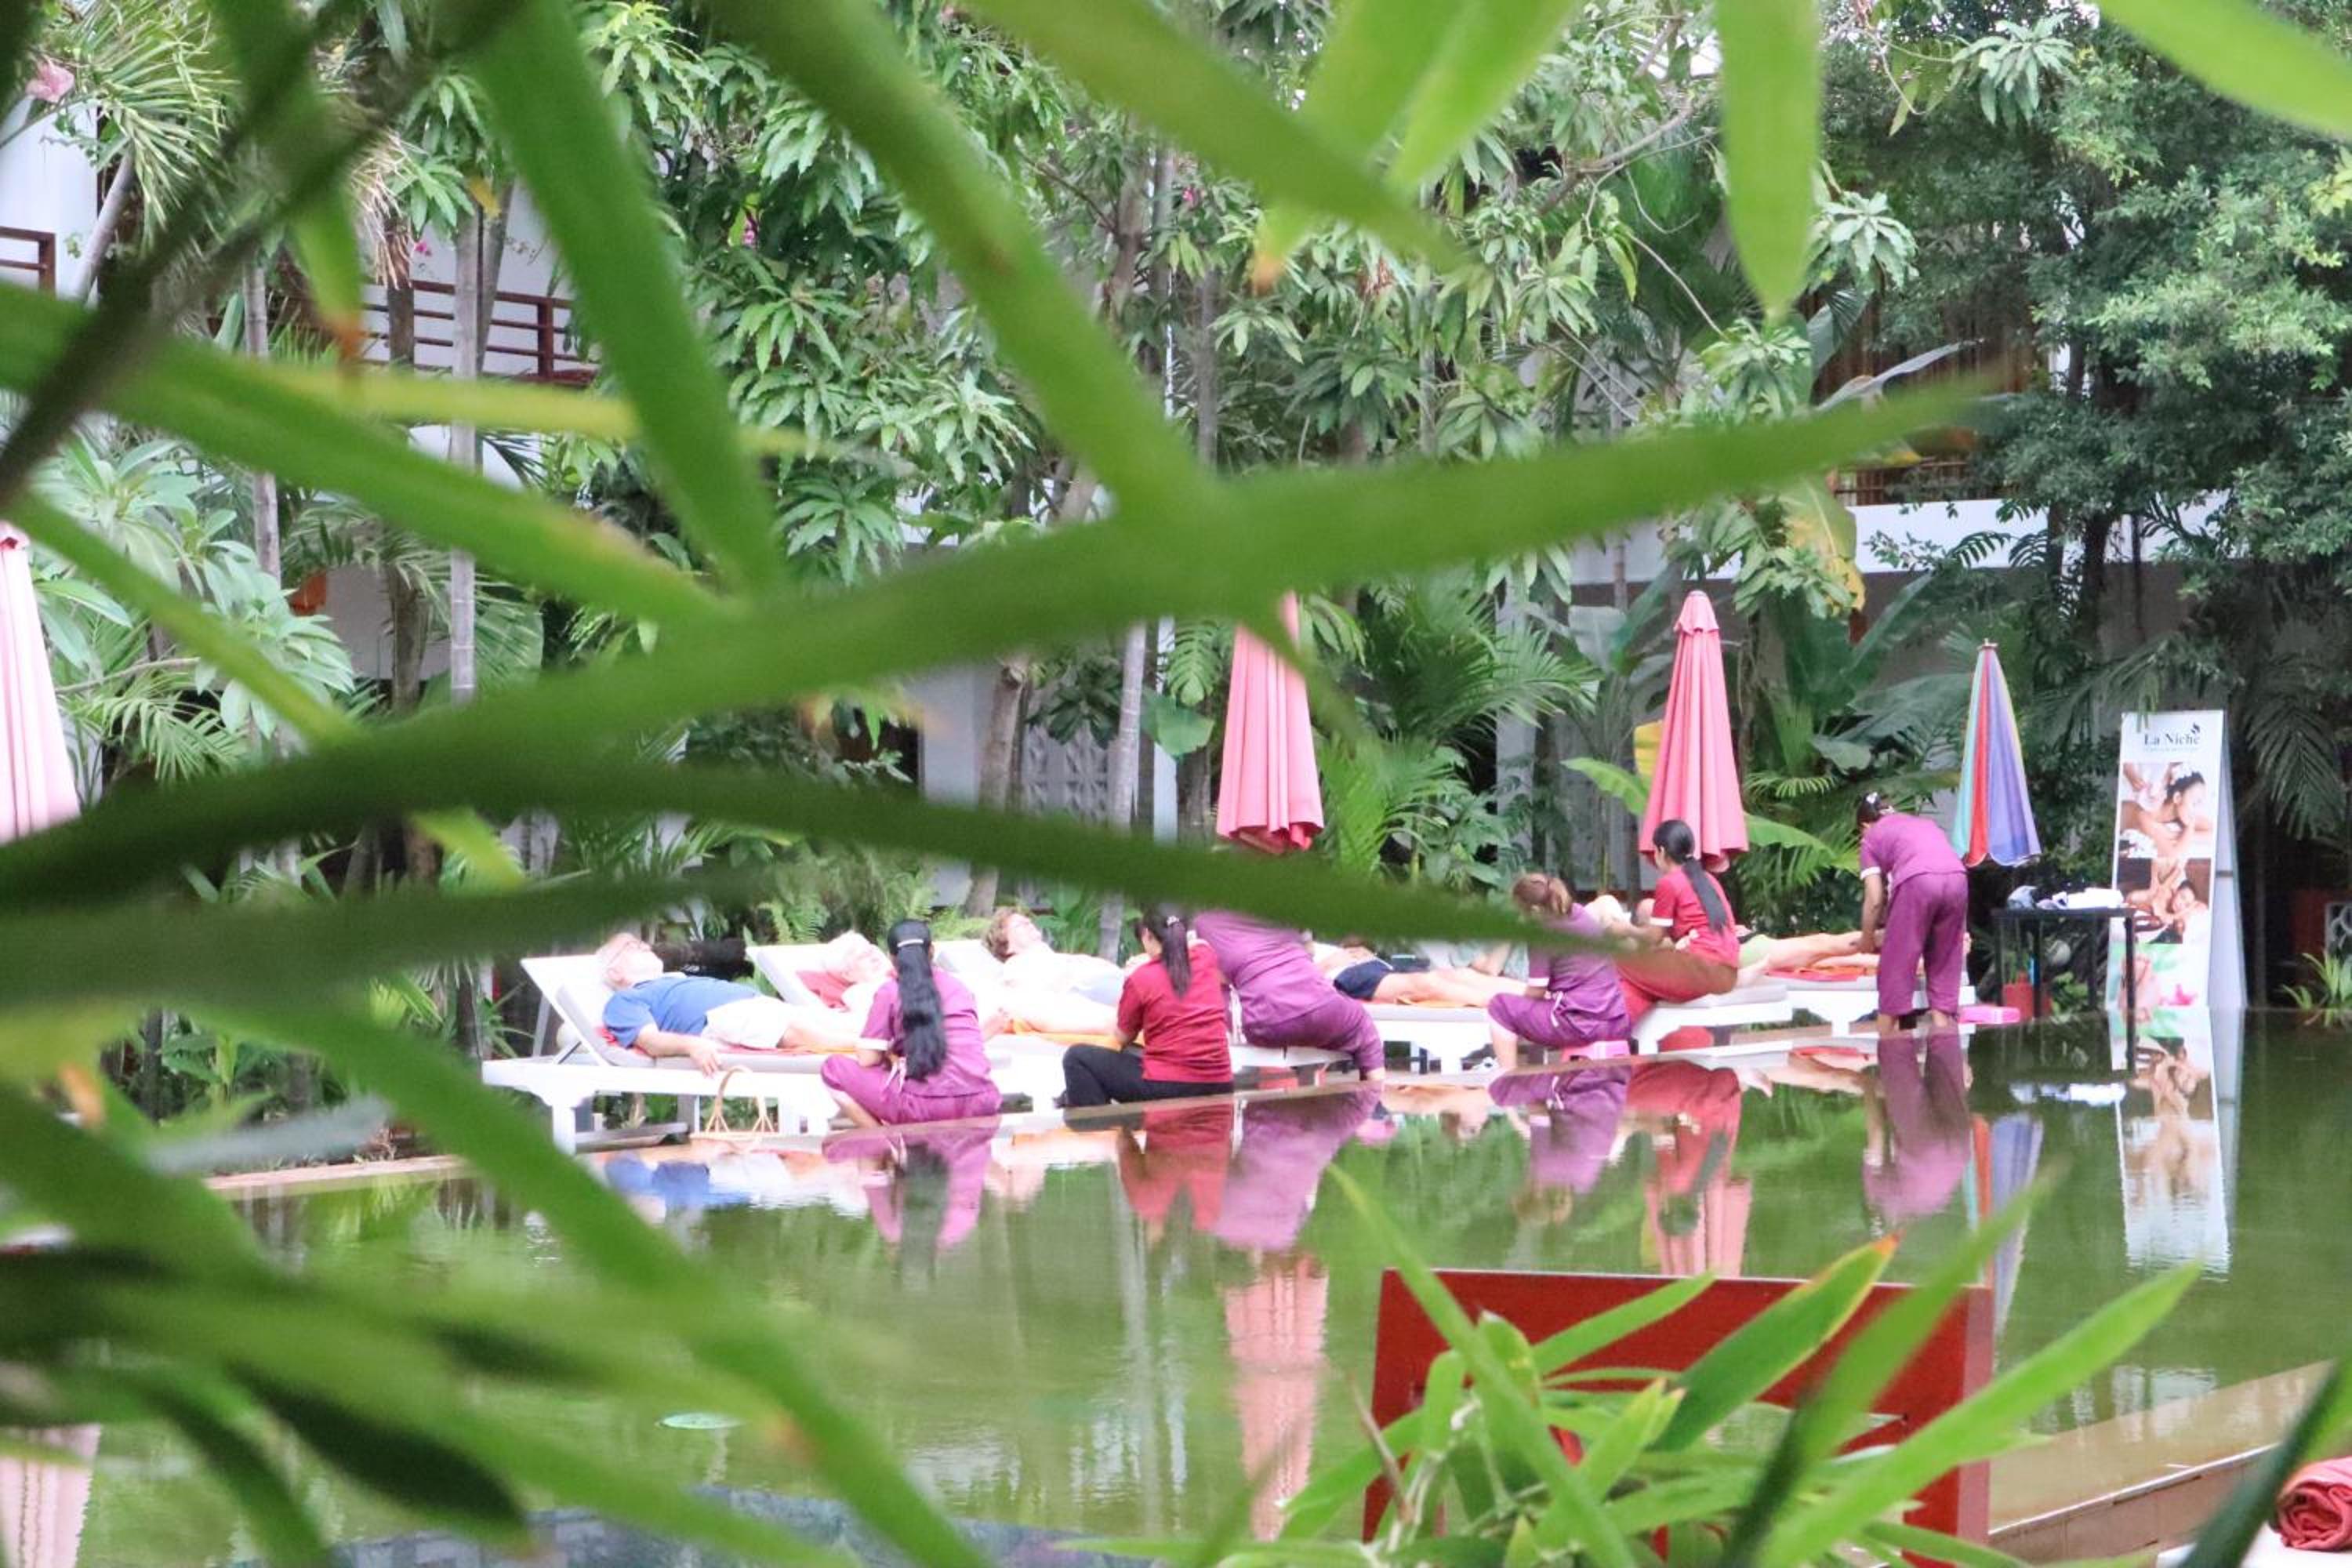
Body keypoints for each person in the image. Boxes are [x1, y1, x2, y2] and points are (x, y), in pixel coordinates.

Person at [820, 919, 1004, 1128]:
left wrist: (890, 1051)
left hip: (925, 1107)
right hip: (983, 1100)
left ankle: (883, 1141)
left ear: (891, 957)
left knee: (832, 1068)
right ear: (932, 950)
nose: (871, 957)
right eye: (862, 956)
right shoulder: (959, 988)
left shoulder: (889, 992)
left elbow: (867, 1059)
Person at [594, 932, 850, 1073]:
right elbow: (650, 1041)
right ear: (615, 972)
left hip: (756, 1005)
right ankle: (862, 1051)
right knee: (794, 1031)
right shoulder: (625, 1000)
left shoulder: (674, 980)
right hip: (722, 1018)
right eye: (631, 946)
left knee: (834, 1023)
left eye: (641, 943)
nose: (645, 946)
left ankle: (868, 1045)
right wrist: (692, 1045)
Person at [1062, 908, 1236, 1109]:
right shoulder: (1206, 956)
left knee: (1077, 1058)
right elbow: (1197, 944)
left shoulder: (1141, 977)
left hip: (1170, 1086)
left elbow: (1122, 1037)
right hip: (1220, 1082)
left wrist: (1144, 965)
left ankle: (1101, 1127)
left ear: (1147, 934)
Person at [1194, 909, 1387, 1080]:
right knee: (1364, 1030)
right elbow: (1306, 954)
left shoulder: (1206, 923)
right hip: (1322, 1010)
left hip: (1263, 1024)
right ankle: (1374, 1093)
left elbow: (1217, 981)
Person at [1484, 873, 1632, 1068]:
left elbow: (1536, 991)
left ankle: (1509, 1079)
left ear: (1534, 911)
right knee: (1531, 1009)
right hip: (1617, 1020)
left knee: (1500, 1007)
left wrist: (1519, 997)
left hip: (1581, 1025)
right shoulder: (1580, 913)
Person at [1856, 790, 1969, 1032]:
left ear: (1865, 825)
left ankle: (1887, 1045)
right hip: (1958, 879)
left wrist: (1867, 938)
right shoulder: (1923, 824)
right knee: (1945, 964)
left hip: (1917, 881)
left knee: (1895, 969)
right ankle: (1944, 1044)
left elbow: (1874, 899)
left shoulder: (1870, 838)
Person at [1615, 819, 1742, 1022]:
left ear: (1661, 851)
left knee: (1620, 961)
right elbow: (1728, 927)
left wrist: (1625, 929)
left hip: (1700, 972)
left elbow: (1654, 938)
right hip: (1728, 975)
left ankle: (1623, 1025)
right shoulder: (1708, 879)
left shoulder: (1669, 882)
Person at [979, 906, 1120, 1036]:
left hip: (1115, 985)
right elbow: (1023, 993)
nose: (1029, 923)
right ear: (1006, 945)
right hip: (1088, 994)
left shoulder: (1053, 956)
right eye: (1020, 925)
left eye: (1028, 921)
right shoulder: (1016, 965)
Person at [1314, 939, 1522, 1008]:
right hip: (1344, 975)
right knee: (1427, 984)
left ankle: (1535, 993)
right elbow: (1296, 980)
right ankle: (1507, 1005)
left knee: (1458, 975)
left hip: (1367, 964)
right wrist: (1329, 963)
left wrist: (1356, 950)